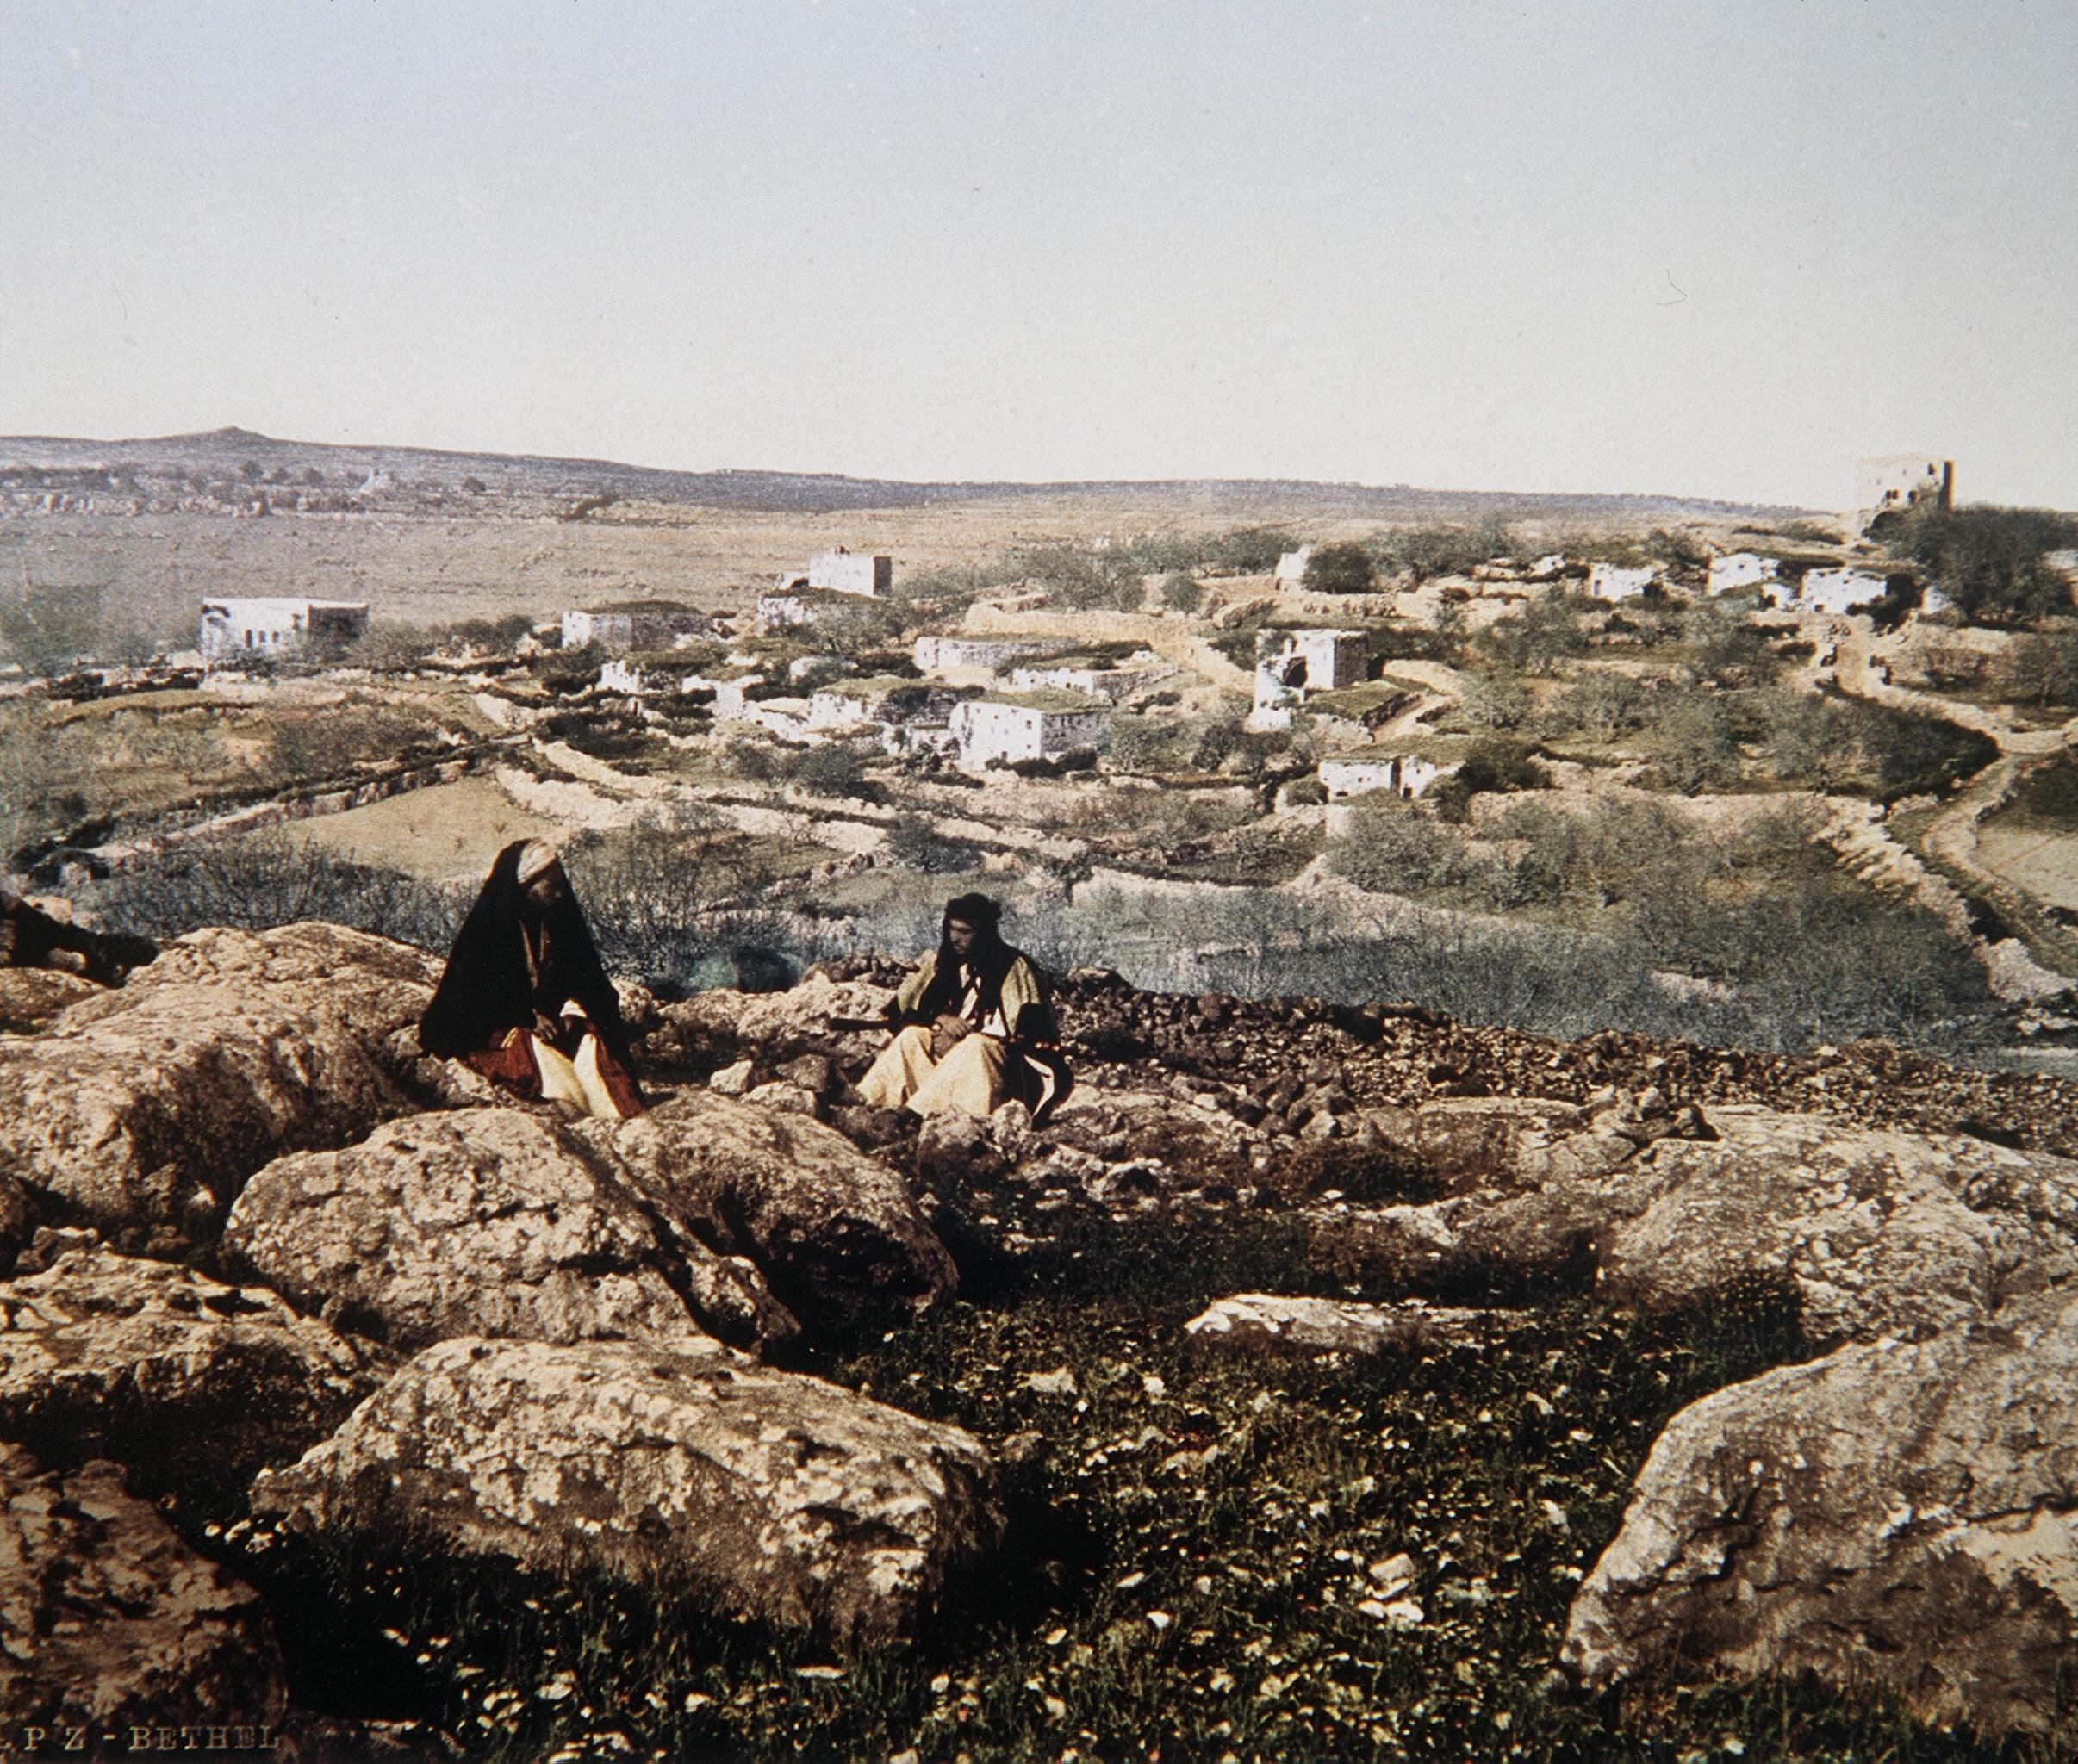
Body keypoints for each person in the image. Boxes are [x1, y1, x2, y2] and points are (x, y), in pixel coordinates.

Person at [419, 840, 645, 1119]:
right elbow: (474, 998)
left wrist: (572, 1011)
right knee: (539, 1059)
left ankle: (610, 1114)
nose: (561, 894)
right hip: (501, 1030)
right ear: (526, 888)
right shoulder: (490, 934)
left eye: (561, 884)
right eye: (552, 887)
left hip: (555, 1025)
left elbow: (588, 983)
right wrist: (528, 1018)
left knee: (594, 1039)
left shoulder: (557, 922)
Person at [857, 893, 1071, 1124]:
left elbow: (1024, 1036)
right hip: (952, 1062)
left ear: (984, 934)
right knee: (912, 1037)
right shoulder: (945, 962)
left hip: (997, 1071)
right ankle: (867, 1103)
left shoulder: (1014, 967)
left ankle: (912, 1115)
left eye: (965, 932)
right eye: (952, 929)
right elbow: (906, 1008)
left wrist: (961, 1040)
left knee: (975, 1046)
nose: (954, 939)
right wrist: (940, 1019)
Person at [1, 887, 156, 986]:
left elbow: (40, 923)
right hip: (22, 951)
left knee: (74, 938)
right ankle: (101, 962)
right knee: (65, 948)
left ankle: (111, 954)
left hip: (26, 936)